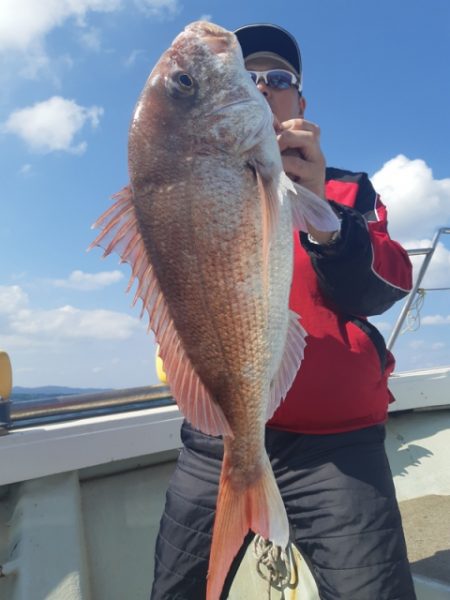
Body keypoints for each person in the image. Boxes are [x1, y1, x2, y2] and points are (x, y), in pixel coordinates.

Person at [150, 23, 416, 600]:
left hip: (335, 448)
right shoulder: (184, 185)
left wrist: (319, 205)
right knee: (175, 592)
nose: (262, 86)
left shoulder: (349, 191)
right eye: (247, 77)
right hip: (218, 436)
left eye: (279, 78)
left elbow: (387, 286)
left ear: (300, 101)